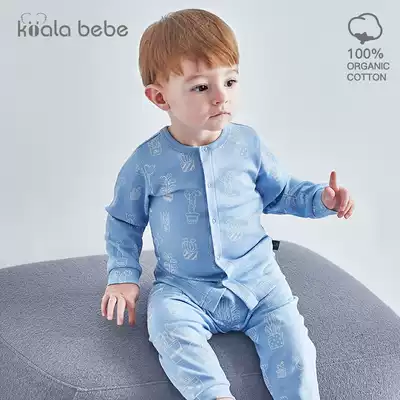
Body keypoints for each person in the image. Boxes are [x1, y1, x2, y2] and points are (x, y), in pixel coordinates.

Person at [100, 8, 355, 400]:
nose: (222, 96)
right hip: (185, 288)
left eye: (230, 80)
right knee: (167, 326)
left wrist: (322, 199)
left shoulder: (247, 144)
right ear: (160, 97)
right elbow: (123, 222)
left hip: (260, 283)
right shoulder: (147, 162)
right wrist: (123, 275)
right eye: (201, 87)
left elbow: (280, 192)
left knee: (297, 351)